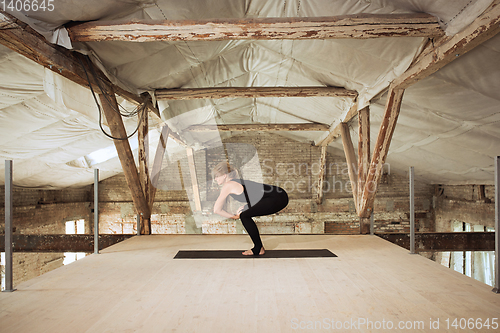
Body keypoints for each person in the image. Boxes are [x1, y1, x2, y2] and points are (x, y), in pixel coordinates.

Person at [212, 162, 289, 256]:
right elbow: (255, 195)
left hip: (276, 197)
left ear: (224, 175)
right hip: (279, 195)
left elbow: (216, 209)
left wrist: (235, 217)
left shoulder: (228, 185)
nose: (215, 179)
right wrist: (246, 206)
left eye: (216, 176)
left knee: (244, 216)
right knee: (245, 213)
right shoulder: (235, 182)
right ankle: (259, 247)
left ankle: (258, 248)